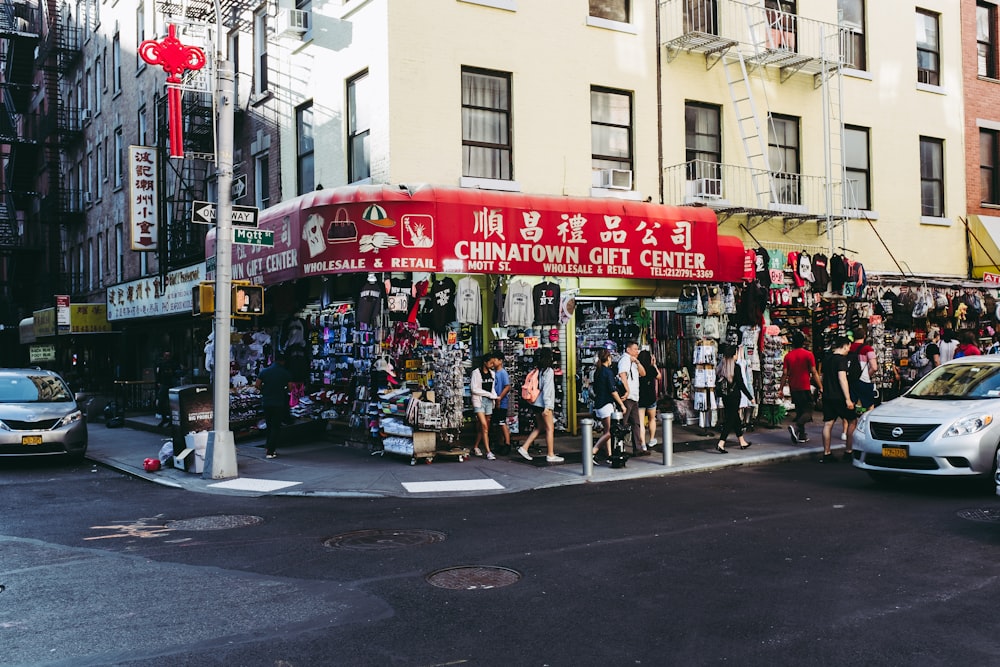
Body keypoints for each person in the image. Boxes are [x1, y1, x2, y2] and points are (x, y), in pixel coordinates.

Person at [517, 347, 562, 463]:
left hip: (536, 402)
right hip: (544, 404)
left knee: (540, 427)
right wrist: (548, 407)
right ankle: (550, 454)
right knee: (549, 429)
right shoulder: (549, 371)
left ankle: (524, 447)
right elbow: (547, 390)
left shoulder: (540, 370)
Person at [781, 330, 821, 443]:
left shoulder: (788, 356)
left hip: (794, 387)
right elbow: (814, 372)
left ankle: (802, 435)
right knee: (808, 411)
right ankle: (797, 426)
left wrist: (780, 388)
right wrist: (820, 386)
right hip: (804, 386)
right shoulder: (808, 355)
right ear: (803, 342)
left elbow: (785, 373)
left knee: (799, 411)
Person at [821, 335, 857, 463]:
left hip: (827, 396)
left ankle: (826, 453)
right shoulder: (841, 360)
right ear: (845, 345)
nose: (849, 350)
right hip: (839, 397)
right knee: (852, 421)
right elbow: (842, 378)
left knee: (828, 423)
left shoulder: (827, 359)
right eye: (848, 347)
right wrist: (848, 399)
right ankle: (848, 451)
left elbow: (822, 377)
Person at [714, 344, 755, 453]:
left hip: (725, 397)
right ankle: (721, 443)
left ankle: (742, 442)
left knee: (735, 418)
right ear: (733, 355)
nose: (737, 355)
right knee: (730, 420)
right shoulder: (736, 367)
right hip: (735, 397)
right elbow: (741, 384)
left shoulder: (721, 367)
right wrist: (750, 397)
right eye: (736, 353)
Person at [591, 348, 627, 464]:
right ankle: (593, 451)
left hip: (599, 404)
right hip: (606, 404)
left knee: (607, 431)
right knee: (610, 432)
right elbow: (613, 390)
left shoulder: (597, 372)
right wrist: (621, 404)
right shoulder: (608, 372)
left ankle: (609, 455)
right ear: (608, 358)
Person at [255, 353, 292, 459]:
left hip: (266, 402)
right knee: (276, 427)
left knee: (269, 425)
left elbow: (257, 385)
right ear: (283, 362)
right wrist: (282, 389)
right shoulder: (286, 373)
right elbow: (290, 388)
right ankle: (271, 450)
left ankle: (268, 447)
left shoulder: (265, 371)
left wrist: (265, 390)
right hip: (279, 402)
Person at [617, 340, 648, 455]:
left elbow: (643, 373)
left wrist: (638, 363)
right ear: (628, 350)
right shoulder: (625, 360)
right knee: (622, 424)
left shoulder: (633, 361)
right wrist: (627, 389)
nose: (637, 351)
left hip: (635, 397)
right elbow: (622, 374)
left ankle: (638, 448)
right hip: (628, 397)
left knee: (636, 423)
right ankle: (618, 447)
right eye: (635, 349)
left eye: (637, 349)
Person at [470, 353, 499, 460]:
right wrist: (489, 394)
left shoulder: (492, 374)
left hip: (489, 402)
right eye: (491, 362)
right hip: (479, 401)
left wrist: (494, 397)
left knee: (484, 427)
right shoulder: (476, 373)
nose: (492, 364)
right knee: (484, 426)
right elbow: (474, 389)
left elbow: (492, 388)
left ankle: (476, 446)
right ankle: (488, 451)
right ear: (485, 362)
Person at [849, 327, 879, 413]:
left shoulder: (848, 347)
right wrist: (867, 375)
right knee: (869, 406)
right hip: (863, 380)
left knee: (851, 406)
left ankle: (850, 424)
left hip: (850, 379)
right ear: (864, 336)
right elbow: (874, 367)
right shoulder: (867, 349)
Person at [637, 349, 661, 448]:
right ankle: (651, 439)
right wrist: (654, 364)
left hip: (640, 397)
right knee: (652, 419)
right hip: (651, 397)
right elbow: (659, 376)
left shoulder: (637, 369)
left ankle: (642, 444)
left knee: (641, 422)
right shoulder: (651, 369)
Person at [491, 355, 513, 454]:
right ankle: (499, 443)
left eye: (495, 359)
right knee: (496, 424)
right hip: (494, 401)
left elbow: (507, 387)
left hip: (502, 402)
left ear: (500, 361)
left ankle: (507, 443)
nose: (493, 361)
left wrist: (500, 397)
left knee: (502, 422)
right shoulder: (493, 373)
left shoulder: (503, 373)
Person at [155, 350, 180, 428]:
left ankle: (170, 420)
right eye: (166, 356)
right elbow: (158, 373)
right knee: (161, 402)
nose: (167, 357)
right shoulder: (161, 363)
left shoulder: (174, 363)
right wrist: (158, 382)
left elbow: (178, 372)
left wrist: (173, 373)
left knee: (171, 403)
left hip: (171, 384)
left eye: (168, 356)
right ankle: (164, 418)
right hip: (164, 384)